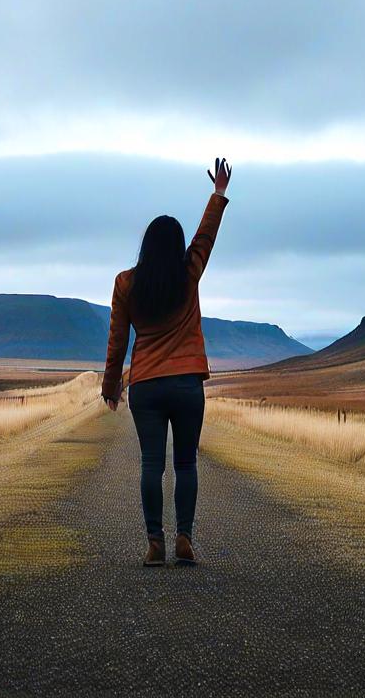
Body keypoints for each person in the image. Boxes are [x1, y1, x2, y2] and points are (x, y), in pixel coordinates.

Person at [102, 157, 232, 567]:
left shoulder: (126, 283)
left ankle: (155, 544)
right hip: (187, 385)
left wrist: (110, 388)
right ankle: (185, 541)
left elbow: (117, 341)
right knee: (186, 463)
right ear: (177, 248)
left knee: (152, 464)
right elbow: (205, 238)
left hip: (147, 386)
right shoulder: (187, 273)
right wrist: (218, 194)